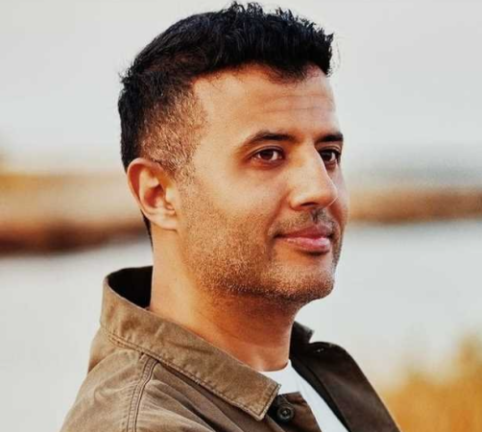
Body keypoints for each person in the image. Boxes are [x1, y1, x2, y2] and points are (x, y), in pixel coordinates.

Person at [60, 3, 401, 431]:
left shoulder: (307, 377)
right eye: (268, 155)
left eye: (328, 154)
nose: (321, 189)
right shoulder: (144, 423)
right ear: (158, 194)